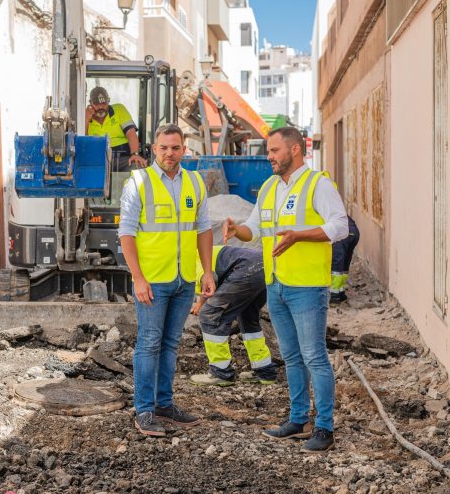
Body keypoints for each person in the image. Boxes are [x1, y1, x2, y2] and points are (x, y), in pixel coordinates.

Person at [222, 126, 348, 453]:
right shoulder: (269, 187)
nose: (269, 157)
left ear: (295, 149)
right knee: (291, 357)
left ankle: (324, 427)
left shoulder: (318, 184)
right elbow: (254, 228)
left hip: (307, 287)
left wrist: (300, 236)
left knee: (314, 356)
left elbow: (340, 226)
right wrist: (237, 230)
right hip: (276, 285)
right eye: (268, 151)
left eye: (274, 150)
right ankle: (298, 420)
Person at [119, 123, 215, 437]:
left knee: (170, 344)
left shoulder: (195, 182)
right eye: (164, 148)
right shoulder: (139, 182)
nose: (169, 153)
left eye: (175, 148)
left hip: (183, 279)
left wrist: (207, 271)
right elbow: (126, 233)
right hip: (152, 281)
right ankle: (144, 410)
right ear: (154, 149)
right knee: (149, 344)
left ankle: (164, 404)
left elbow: (203, 229)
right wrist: (138, 278)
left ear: (184, 149)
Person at [189, 245, 277, 387]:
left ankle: (220, 372)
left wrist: (202, 305)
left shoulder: (189, 259)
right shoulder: (200, 252)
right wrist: (200, 303)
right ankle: (264, 370)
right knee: (247, 316)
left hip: (246, 268)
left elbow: (209, 279)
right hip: (264, 265)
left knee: (210, 314)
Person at [86, 86, 147, 172]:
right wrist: (86, 120)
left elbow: (131, 133)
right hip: (97, 161)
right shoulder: (84, 116)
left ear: (109, 101)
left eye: (104, 103)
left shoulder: (119, 110)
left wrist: (135, 154)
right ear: (90, 103)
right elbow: (82, 141)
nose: (101, 107)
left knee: (137, 167)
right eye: (97, 104)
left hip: (123, 158)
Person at [331, 215, 360, 303]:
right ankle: (340, 292)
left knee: (336, 264)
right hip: (354, 232)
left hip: (341, 233)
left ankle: (334, 295)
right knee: (344, 263)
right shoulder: (336, 211)